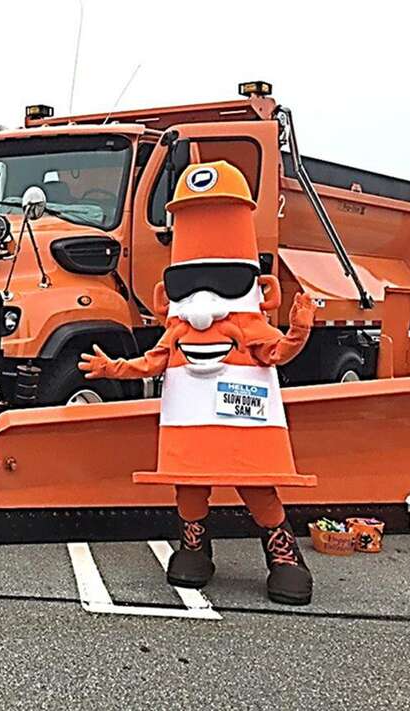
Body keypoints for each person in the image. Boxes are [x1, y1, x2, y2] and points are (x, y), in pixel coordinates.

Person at [79, 161, 317, 605]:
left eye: (226, 283)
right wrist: (112, 368)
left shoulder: (249, 326)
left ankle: (284, 556)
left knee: (258, 485)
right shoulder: (179, 329)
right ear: (166, 292)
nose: (204, 305)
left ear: (259, 288)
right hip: (188, 429)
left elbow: (278, 351)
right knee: (188, 486)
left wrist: (300, 330)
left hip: (247, 428)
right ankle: (194, 547)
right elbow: (151, 362)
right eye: (185, 284)